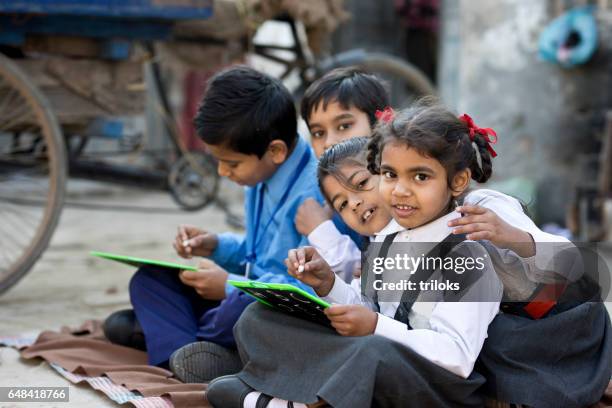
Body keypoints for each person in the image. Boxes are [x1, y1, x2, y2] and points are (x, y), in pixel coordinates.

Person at [206, 102, 507, 407]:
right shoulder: (389, 240)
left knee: (371, 352)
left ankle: (290, 400)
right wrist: (328, 285)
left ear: (457, 181)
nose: (400, 190)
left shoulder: (468, 256)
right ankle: (301, 396)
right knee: (260, 316)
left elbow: (455, 356)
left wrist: (375, 326)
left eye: (419, 177)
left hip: (436, 389)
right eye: (390, 174)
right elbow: (371, 306)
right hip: (381, 361)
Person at [103, 66, 325, 383]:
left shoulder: (314, 192)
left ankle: (175, 341)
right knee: (149, 280)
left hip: (271, 307)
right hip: (241, 294)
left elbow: (307, 291)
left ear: (275, 151)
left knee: (240, 311)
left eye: (231, 163)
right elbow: (254, 250)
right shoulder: (260, 176)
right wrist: (216, 246)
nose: (222, 172)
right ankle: (190, 356)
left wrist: (228, 285)